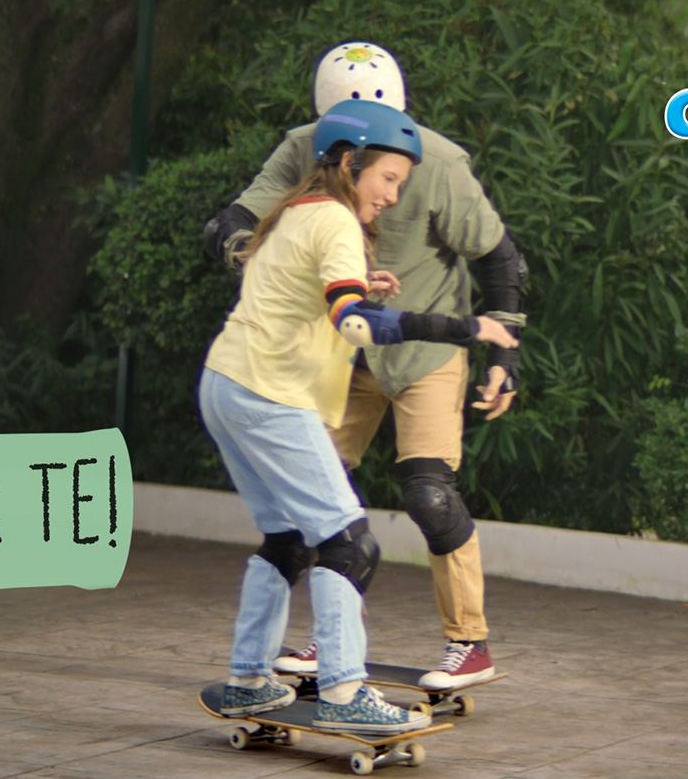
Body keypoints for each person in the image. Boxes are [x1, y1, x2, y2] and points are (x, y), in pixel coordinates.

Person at [204, 41, 527, 692]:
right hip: (349, 347)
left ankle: (469, 641)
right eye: (384, 179)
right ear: (340, 152)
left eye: (399, 179)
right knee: (317, 498)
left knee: (428, 493)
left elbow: (501, 259)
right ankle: (330, 642)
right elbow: (231, 222)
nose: (391, 193)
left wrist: (502, 355)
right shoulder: (307, 153)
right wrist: (263, 259)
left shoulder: (438, 164)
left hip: (423, 352)